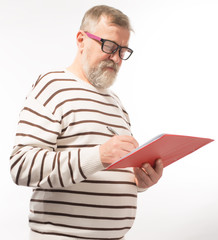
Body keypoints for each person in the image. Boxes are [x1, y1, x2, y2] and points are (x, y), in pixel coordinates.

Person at [10, 5, 163, 240]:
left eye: (123, 50)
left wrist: (139, 181)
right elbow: (21, 166)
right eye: (110, 46)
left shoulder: (117, 104)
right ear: (81, 40)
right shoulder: (53, 86)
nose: (116, 57)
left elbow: (109, 175)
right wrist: (98, 156)